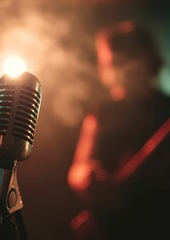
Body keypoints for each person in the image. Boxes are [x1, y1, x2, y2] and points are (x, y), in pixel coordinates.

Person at [67, 21, 170, 240]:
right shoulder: (102, 113)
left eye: (128, 58)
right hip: (117, 227)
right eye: (114, 63)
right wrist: (89, 176)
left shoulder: (166, 109)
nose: (122, 70)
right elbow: (77, 171)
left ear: (148, 59)